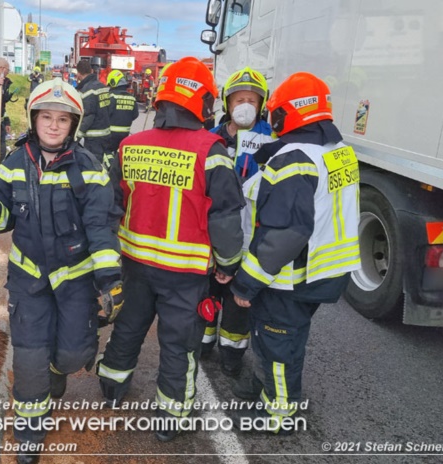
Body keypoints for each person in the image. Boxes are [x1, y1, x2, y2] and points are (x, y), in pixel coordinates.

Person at [0, 78, 122, 464]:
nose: (53, 125)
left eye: (63, 119)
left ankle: (60, 368)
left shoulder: (90, 169)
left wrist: (110, 281)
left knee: (72, 355)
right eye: (47, 117)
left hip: (75, 282)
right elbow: (0, 220)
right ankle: (29, 435)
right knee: (30, 361)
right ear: (34, 119)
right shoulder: (13, 164)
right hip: (29, 281)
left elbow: (101, 228)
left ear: (74, 125)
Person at [97, 57, 245, 442]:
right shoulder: (211, 151)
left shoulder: (131, 146)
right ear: (204, 103)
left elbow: (111, 205)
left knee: (129, 326)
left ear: (161, 99)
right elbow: (226, 219)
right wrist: (228, 265)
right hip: (185, 274)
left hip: (135, 264)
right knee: (179, 344)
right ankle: (171, 417)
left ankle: (112, 384)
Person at [229, 72, 361, 434]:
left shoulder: (294, 160)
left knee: (277, 343)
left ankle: (279, 414)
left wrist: (246, 284)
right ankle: (266, 391)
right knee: (288, 338)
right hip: (326, 270)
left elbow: (285, 234)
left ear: (285, 116)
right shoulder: (337, 152)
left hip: (292, 277)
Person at [201, 67, 275, 377]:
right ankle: (202, 344)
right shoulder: (208, 139)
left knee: (238, 305)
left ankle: (232, 356)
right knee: (206, 296)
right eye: (238, 98)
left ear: (262, 104)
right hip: (211, 234)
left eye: (251, 99)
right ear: (227, 103)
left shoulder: (274, 142)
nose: (244, 104)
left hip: (249, 237)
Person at [75, 60, 111, 163]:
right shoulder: (102, 87)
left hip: (93, 138)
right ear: (91, 70)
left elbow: (88, 116)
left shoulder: (87, 91)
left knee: (92, 166)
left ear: (78, 74)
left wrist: (76, 137)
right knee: (102, 163)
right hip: (106, 133)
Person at [105, 69, 138, 158]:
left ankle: (110, 168)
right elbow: (135, 114)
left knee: (106, 151)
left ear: (113, 82)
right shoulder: (132, 98)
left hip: (111, 133)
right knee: (119, 153)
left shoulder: (111, 96)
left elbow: (106, 113)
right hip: (125, 133)